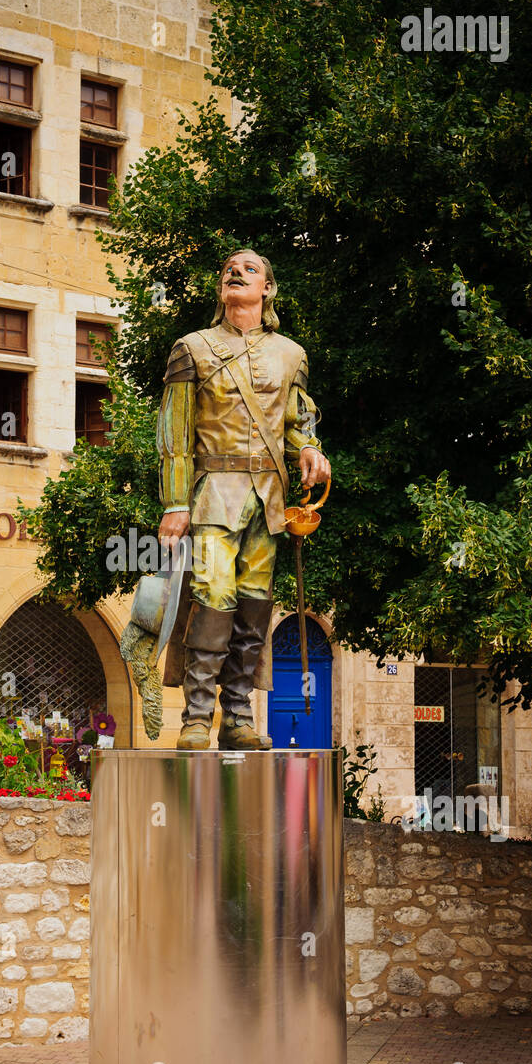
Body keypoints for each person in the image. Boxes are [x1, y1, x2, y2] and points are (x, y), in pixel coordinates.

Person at [157, 249, 330, 750]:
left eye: (251, 269)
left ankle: (237, 717)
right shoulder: (192, 348)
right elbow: (173, 434)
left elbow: (300, 420)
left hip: (269, 500)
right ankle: (196, 718)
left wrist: (311, 449)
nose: (237, 273)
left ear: (268, 289)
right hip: (213, 494)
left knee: (254, 610)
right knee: (212, 600)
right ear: (221, 289)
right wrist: (174, 503)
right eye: (230, 269)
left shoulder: (291, 354)